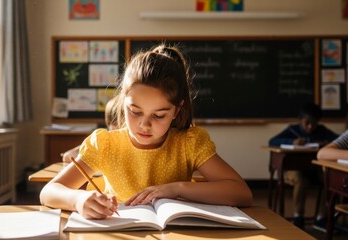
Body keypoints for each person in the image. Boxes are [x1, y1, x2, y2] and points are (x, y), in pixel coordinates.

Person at [40, 44, 253, 219]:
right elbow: (49, 192)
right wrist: (78, 200)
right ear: (123, 102)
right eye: (135, 111)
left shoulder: (189, 142)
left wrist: (176, 189)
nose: (144, 125)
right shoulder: (105, 143)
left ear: (176, 110)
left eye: (159, 115)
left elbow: (241, 193)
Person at [268, 103, 338, 229]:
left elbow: (339, 139)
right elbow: (272, 141)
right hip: (294, 170)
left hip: (315, 170)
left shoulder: (322, 131)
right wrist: (291, 142)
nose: (311, 127)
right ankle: (298, 216)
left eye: (314, 123)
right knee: (301, 180)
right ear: (300, 120)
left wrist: (328, 143)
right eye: (307, 122)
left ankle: (322, 218)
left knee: (330, 181)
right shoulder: (292, 130)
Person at [61, 96, 119, 163]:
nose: (118, 131)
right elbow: (67, 156)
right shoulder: (102, 139)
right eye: (114, 127)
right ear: (108, 124)